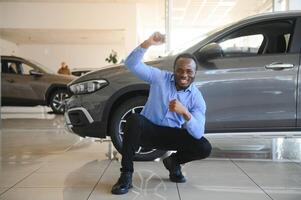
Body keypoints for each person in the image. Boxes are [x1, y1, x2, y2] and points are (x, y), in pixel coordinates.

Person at [111, 32, 212, 195]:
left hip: (172, 136)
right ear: (174, 71)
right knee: (135, 119)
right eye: (180, 70)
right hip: (148, 130)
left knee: (204, 147)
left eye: (189, 71)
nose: (184, 75)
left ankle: (173, 162)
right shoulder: (160, 78)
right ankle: (126, 175)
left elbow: (198, 132)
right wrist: (147, 43)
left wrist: (185, 112)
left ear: (195, 73)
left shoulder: (196, 98)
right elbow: (131, 64)